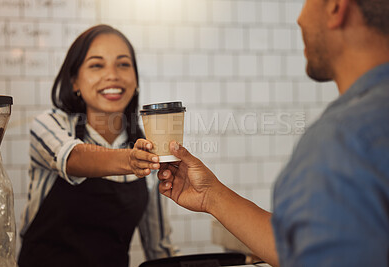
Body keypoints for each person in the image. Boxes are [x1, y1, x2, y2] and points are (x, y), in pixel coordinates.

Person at [156, 0, 389, 266]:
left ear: (336, 7)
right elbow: (301, 247)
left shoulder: (339, 143)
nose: (299, 18)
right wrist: (211, 195)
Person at [18, 24, 177, 267]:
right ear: (74, 82)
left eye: (123, 64)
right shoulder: (50, 125)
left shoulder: (147, 147)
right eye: (96, 65)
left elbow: (158, 247)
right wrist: (130, 161)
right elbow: (73, 158)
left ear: (135, 80)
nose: (112, 75)